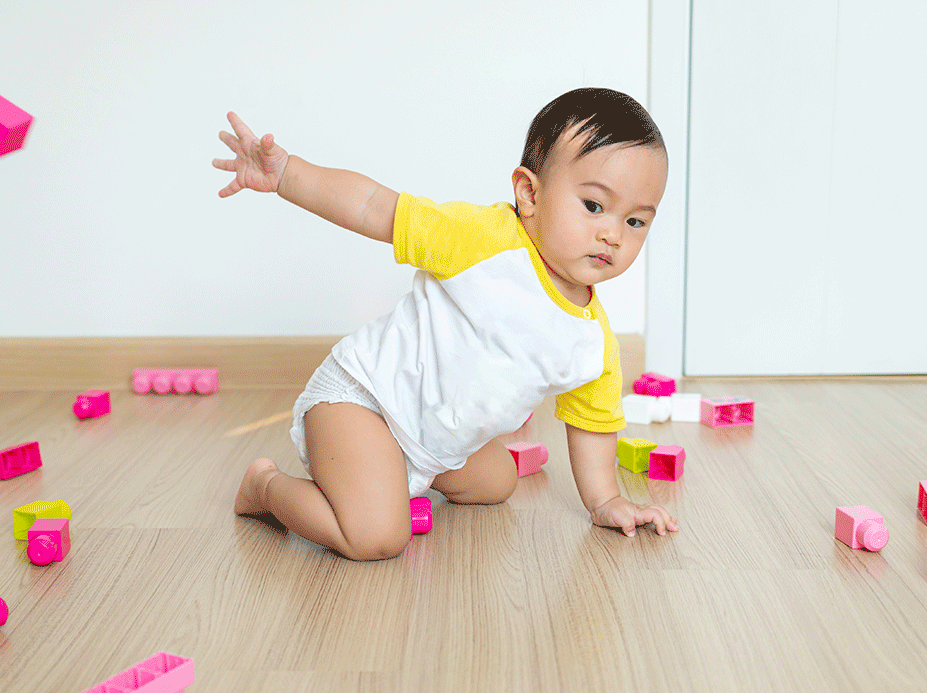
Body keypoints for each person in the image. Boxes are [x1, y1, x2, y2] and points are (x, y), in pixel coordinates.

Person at [216, 88, 679, 561]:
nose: (613, 234)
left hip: (431, 442)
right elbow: (373, 206)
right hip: (363, 401)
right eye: (595, 206)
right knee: (378, 538)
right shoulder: (480, 241)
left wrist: (605, 501)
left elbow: (592, 425)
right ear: (530, 193)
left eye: (637, 221)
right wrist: (287, 174)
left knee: (498, 482)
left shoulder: (593, 342)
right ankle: (266, 487)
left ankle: (400, 475)